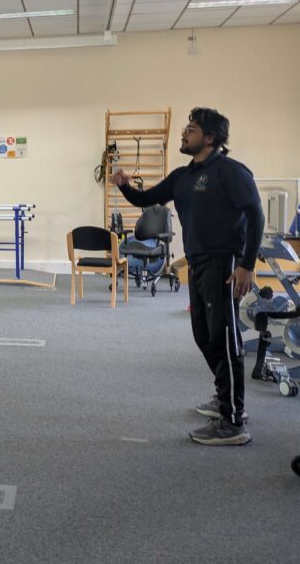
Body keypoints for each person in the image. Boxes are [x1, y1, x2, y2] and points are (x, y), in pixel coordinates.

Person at [111, 107, 263, 446]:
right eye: (185, 127)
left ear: (209, 138)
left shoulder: (231, 172)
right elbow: (146, 199)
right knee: (203, 335)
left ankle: (234, 420)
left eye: (191, 129)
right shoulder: (183, 176)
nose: (184, 133)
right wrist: (123, 187)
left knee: (224, 338)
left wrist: (246, 265)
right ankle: (225, 395)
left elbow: (256, 215)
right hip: (197, 264)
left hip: (223, 263)